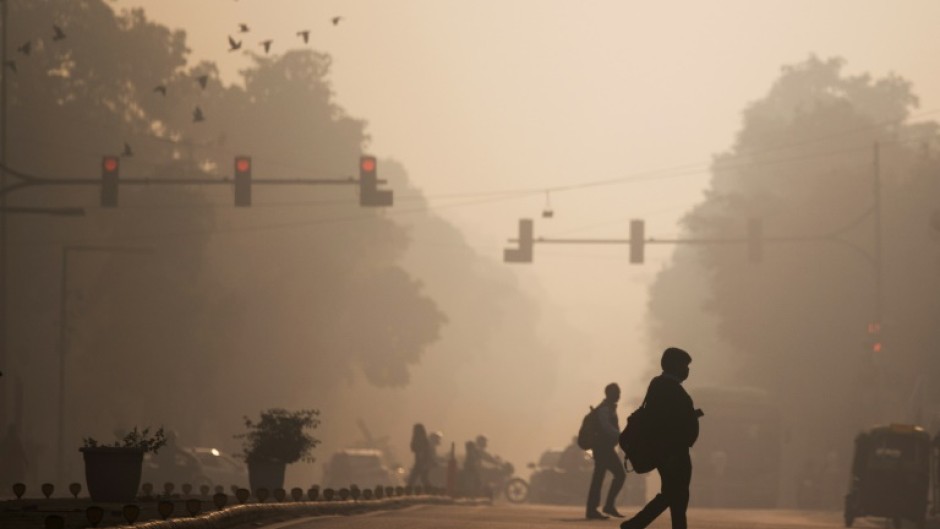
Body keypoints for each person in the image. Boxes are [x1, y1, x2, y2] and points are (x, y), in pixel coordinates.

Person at [621, 347, 700, 529]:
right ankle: (636, 524)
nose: (687, 370)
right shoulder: (667, 388)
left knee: (676, 494)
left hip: (672, 450)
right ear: (675, 365)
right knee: (674, 493)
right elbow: (665, 422)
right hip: (672, 451)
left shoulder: (662, 386)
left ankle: (638, 524)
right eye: (685, 366)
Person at [586, 382, 626, 519]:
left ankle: (596, 508)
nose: (619, 396)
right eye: (616, 393)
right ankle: (601, 507)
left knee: (599, 477)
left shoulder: (608, 408)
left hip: (604, 448)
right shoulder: (604, 409)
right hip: (603, 449)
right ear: (610, 394)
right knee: (618, 475)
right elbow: (606, 427)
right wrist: (621, 435)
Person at [407, 423, 434, 488]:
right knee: (422, 478)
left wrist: (422, 461)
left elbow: (418, 450)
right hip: (421, 462)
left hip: (421, 462)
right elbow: (414, 448)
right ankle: (430, 490)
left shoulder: (421, 440)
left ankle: (408, 490)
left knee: (415, 478)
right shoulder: (423, 440)